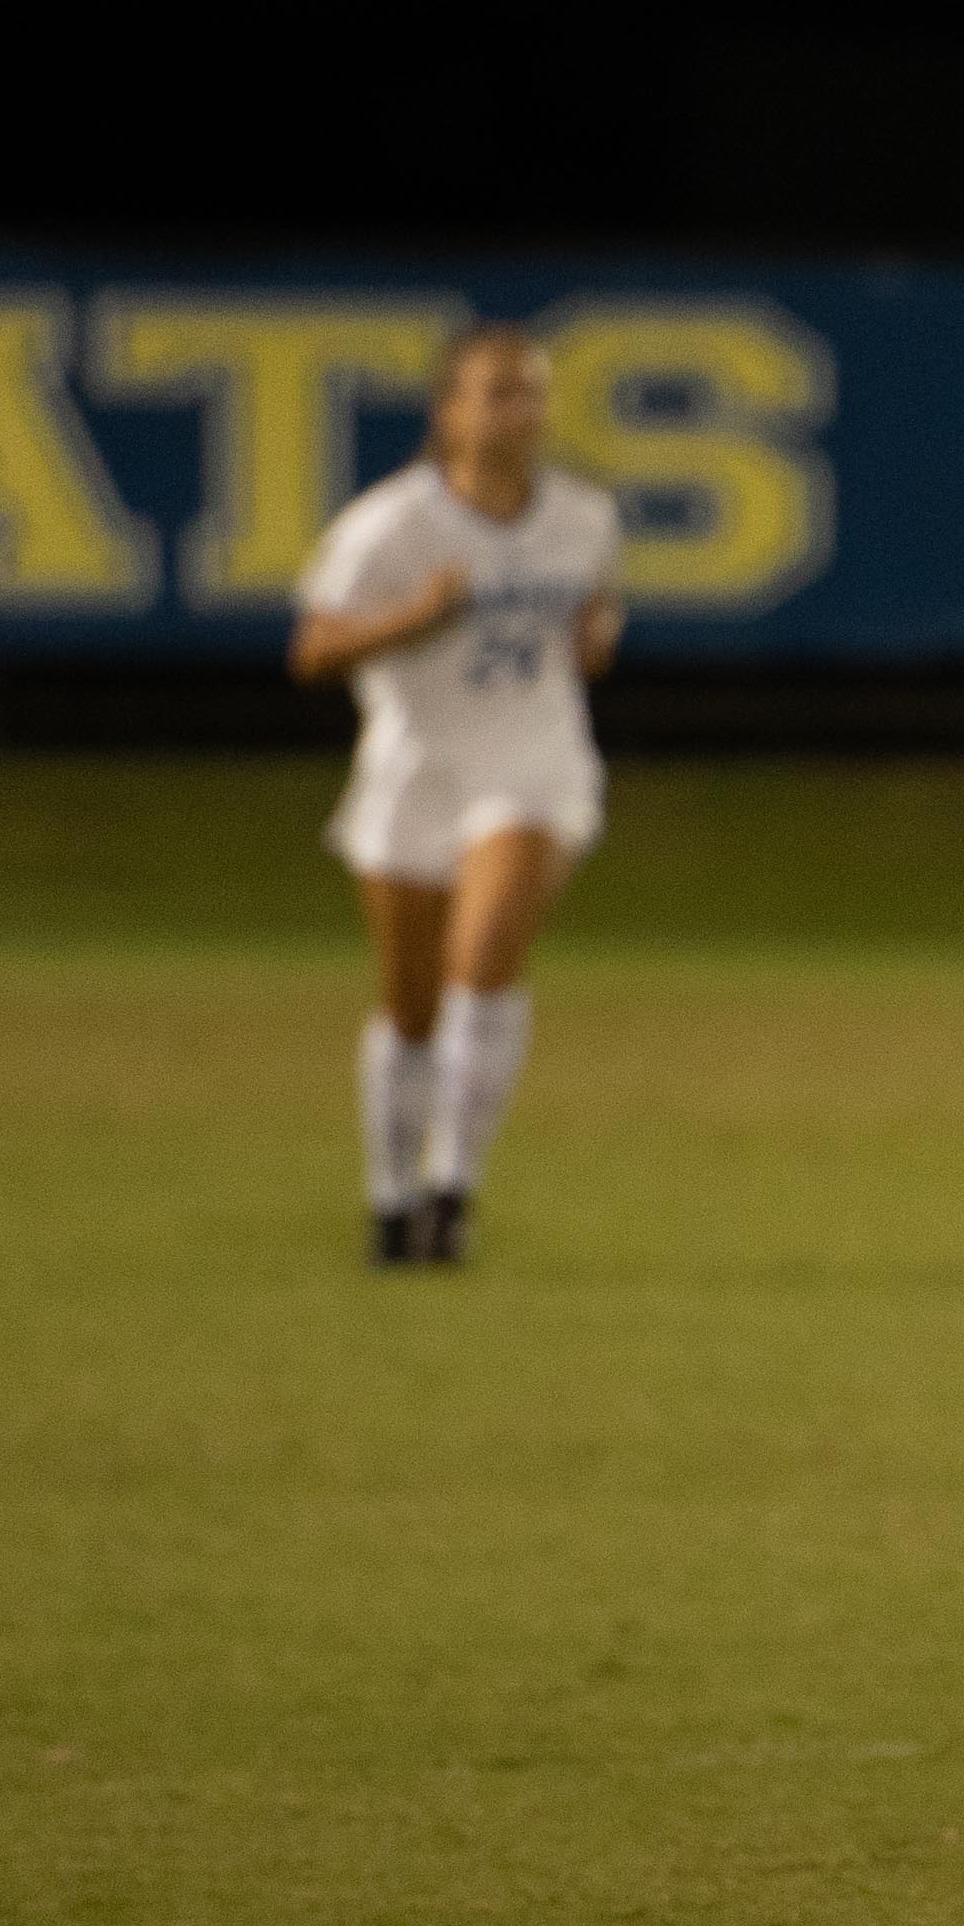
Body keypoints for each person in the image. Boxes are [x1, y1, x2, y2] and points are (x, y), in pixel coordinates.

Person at [291, 325, 626, 1267]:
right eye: (497, 392)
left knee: (483, 959)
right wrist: (415, 616)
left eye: (532, 393)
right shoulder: (391, 527)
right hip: (415, 771)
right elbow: (312, 651)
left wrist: (594, 641)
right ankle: (391, 1200)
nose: (520, 411)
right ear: (450, 413)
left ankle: (452, 1191)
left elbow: (589, 626)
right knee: (410, 1006)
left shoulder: (585, 517)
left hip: (533, 765)